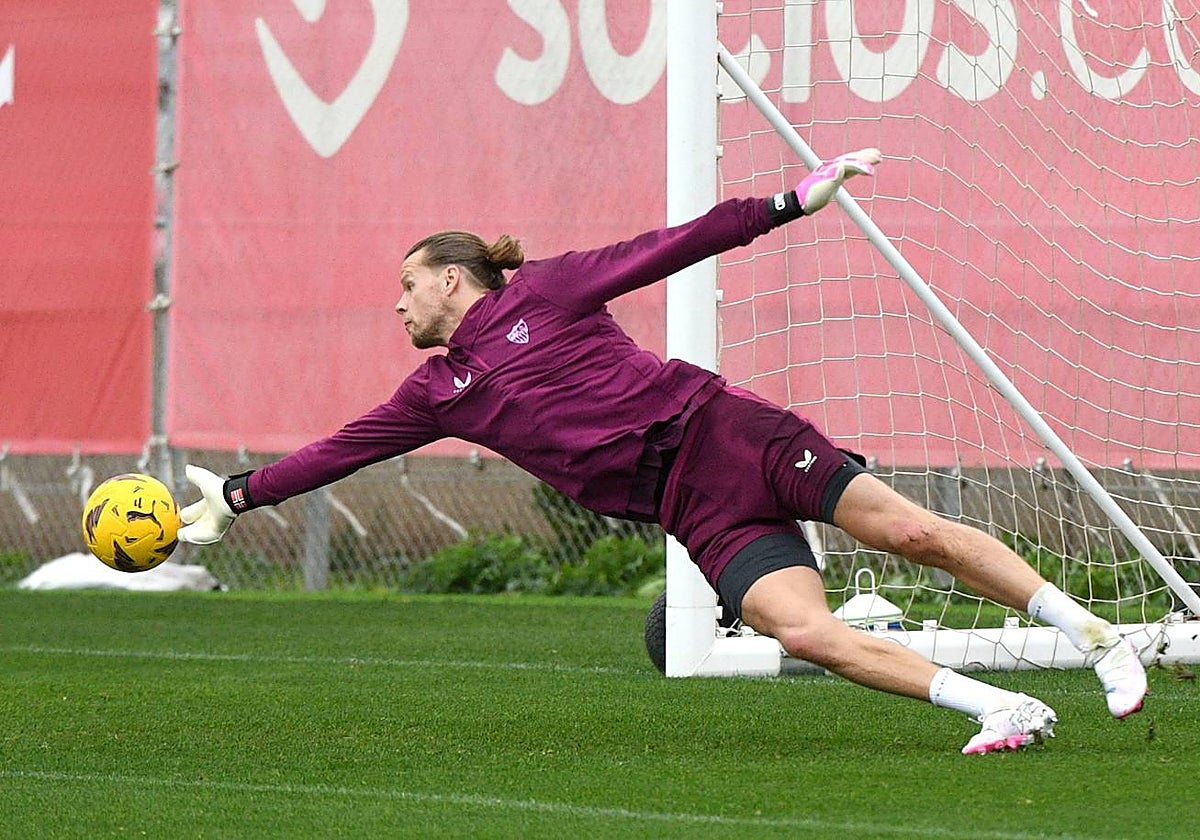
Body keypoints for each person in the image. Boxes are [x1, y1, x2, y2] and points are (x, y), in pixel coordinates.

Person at [178, 149, 1147, 755]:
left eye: (407, 286)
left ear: (451, 280)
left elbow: (671, 245)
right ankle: (1001, 708)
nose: (396, 305)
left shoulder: (545, 290)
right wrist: (236, 495)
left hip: (729, 435)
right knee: (802, 634)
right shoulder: (437, 393)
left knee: (911, 533)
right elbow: (339, 452)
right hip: (695, 511)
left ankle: (1097, 637)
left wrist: (785, 204)